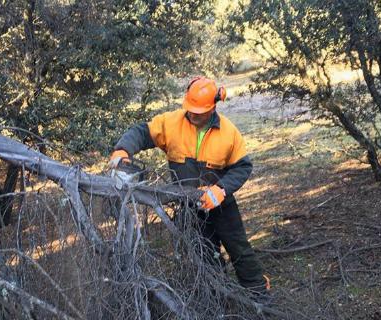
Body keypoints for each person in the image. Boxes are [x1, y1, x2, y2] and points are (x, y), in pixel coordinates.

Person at [109, 76, 270, 295]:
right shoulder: (171, 123)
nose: (193, 114)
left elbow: (243, 167)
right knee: (204, 253)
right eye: (190, 108)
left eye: (199, 111)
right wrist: (123, 150)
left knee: (240, 250)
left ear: (212, 107)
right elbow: (141, 132)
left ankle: (259, 297)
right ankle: (218, 297)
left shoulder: (228, 132)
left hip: (221, 203)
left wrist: (220, 189)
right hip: (189, 205)